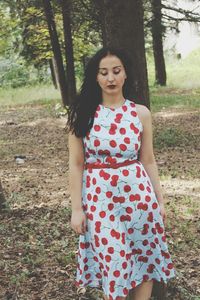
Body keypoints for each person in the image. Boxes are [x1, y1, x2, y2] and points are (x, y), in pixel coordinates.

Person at [67, 47, 176, 300]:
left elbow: (148, 160)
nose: (110, 78)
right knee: (115, 263)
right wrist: (76, 209)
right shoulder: (82, 114)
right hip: (100, 201)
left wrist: (159, 201)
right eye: (103, 73)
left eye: (116, 71)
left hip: (139, 198)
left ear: (125, 74)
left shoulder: (141, 114)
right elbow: (75, 164)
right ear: (96, 77)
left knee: (144, 260)